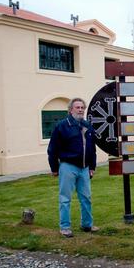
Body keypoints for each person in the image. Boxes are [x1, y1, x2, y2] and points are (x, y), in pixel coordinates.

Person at [47, 97, 99, 238]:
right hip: (68, 167)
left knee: (86, 198)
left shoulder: (87, 125)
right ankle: (65, 227)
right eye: (77, 107)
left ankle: (87, 225)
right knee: (65, 198)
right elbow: (52, 149)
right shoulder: (62, 126)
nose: (81, 110)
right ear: (70, 110)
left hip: (84, 168)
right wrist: (54, 168)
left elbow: (92, 149)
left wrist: (92, 166)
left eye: (82, 107)